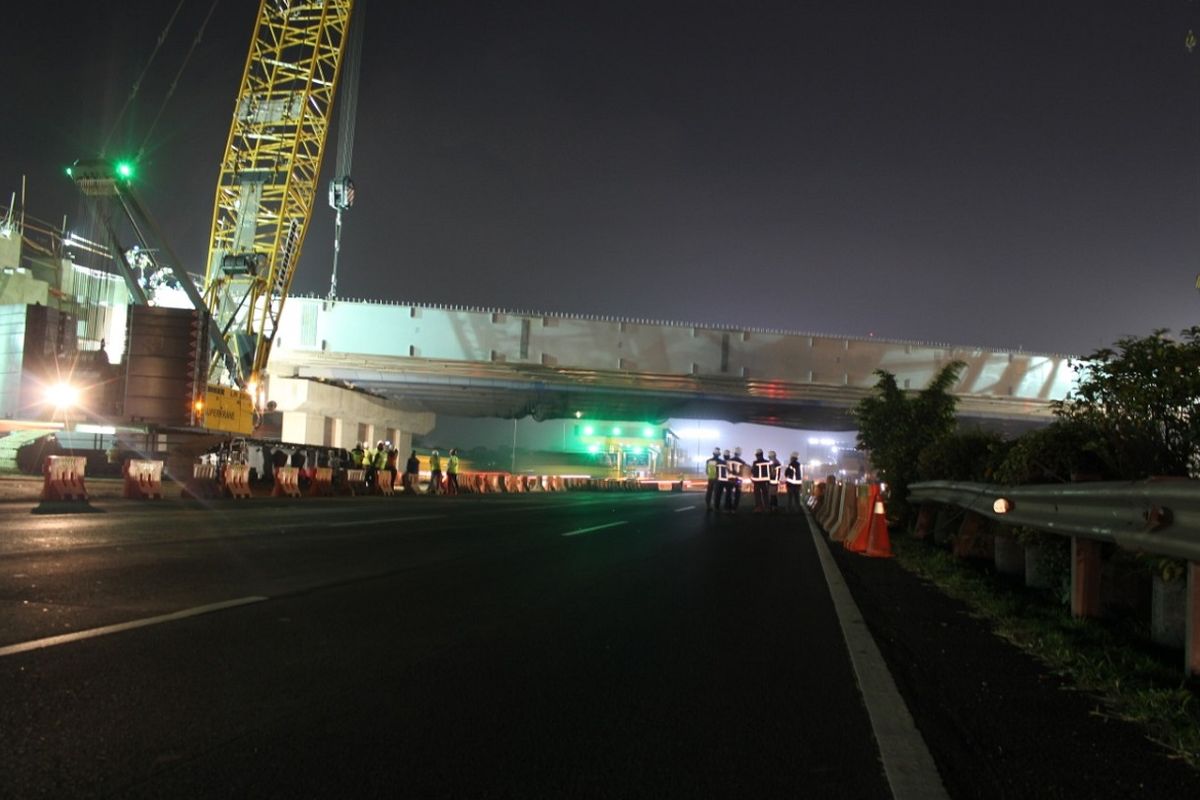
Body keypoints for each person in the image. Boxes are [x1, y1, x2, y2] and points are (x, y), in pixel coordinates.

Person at [724, 447, 746, 511]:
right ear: (740, 454)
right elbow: (741, 471)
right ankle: (734, 508)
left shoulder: (728, 461)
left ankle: (727, 507)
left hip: (730, 479)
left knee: (728, 493)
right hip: (738, 480)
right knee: (737, 493)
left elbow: (727, 469)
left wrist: (732, 473)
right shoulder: (742, 462)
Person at [704, 447, 725, 512]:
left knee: (709, 492)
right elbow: (723, 471)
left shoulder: (709, 461)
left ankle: (708, 506)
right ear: (719, 454)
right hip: (718, 479)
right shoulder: (721, 461)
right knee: (717, 493)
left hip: (711, 479)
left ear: (713, 453)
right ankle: (716, 507)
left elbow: (708, 471)